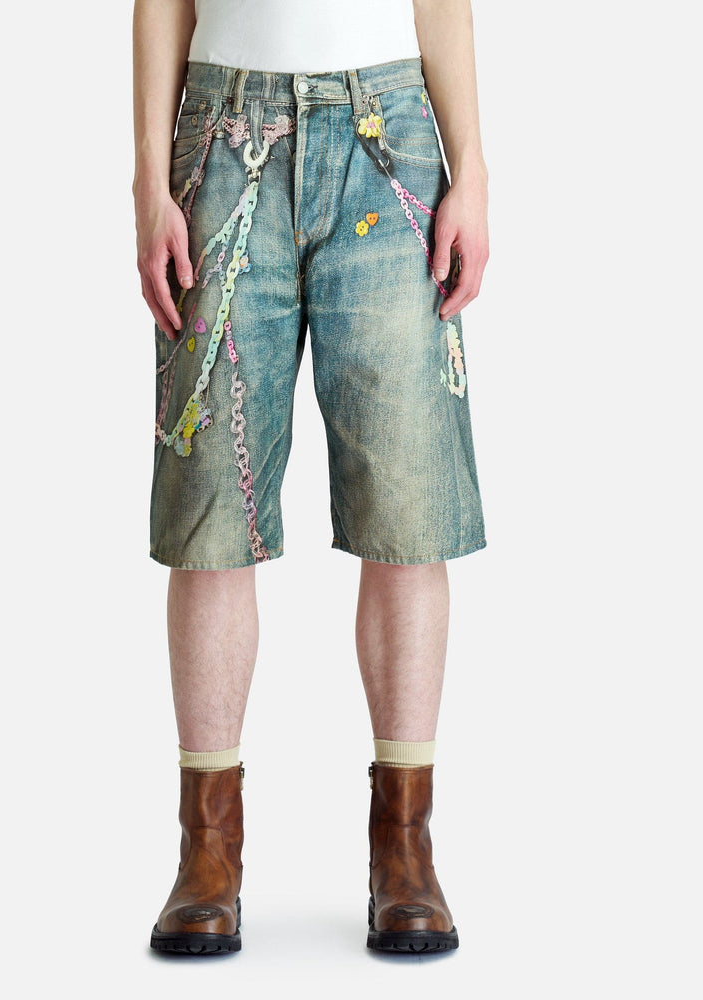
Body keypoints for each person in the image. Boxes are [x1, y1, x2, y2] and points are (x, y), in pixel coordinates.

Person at [132, 0, 489, 955]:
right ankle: (206, 855)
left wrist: (473, 171)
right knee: (211, 511)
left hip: (390, 133)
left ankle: (405, 850)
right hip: (220, 132)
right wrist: (148, 180)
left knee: (407, 507)